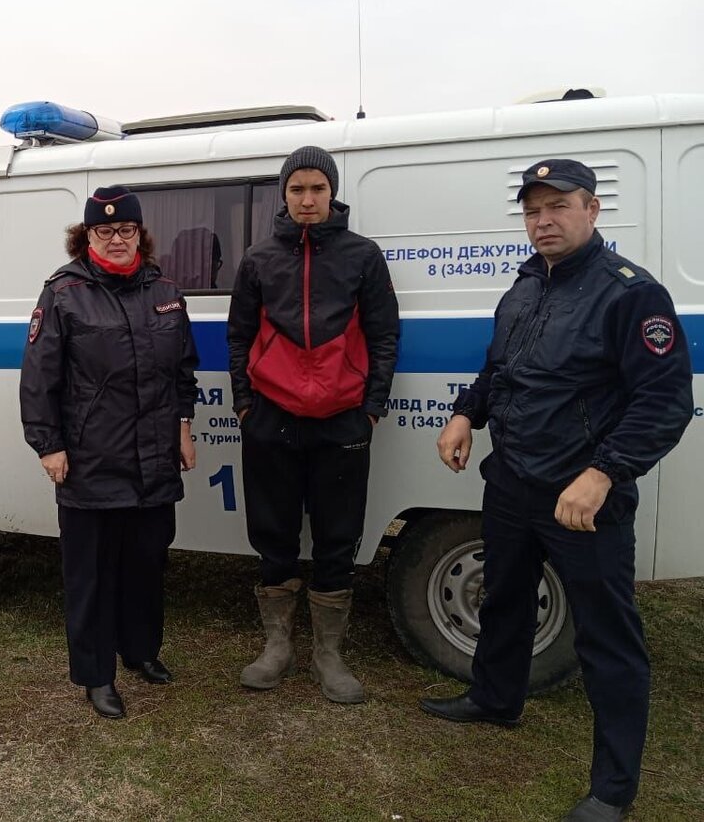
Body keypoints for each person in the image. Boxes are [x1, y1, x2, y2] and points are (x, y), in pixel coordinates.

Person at [423, 159, 694, 822]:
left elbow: (664, 402)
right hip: (513, 478)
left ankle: (613, 788)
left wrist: (602, 474)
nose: (543, 220)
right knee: (505, 598)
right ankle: (495, 697)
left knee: (608, 639)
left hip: (582, 497)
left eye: (558, 206)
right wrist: (466, 412)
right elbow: (501, 368)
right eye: (532, 210)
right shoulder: (523, 285)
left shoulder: (630, 293)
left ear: (593, 210)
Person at [19, 185, 200, 720]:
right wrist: (47, 445)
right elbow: (38, 378)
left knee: (146, 563)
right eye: (105, 230)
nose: (117, 239)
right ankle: (97, 675)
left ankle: (141, 652)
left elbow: (183, 369)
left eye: (126, 230)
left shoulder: (165, 290)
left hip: (153, 459)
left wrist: (184, 427)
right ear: (87, 236)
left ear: (139, 234)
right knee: (92, 573)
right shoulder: (64, 292)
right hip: (91, 458)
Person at [227, 145, 399, 703]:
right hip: (271, 418)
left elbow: (384, 335)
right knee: (273, 535)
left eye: (317, 189)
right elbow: (238, 337)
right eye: (297, 188)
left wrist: (370, 408)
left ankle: (329, 653)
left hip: (343, 420)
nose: (307, 199)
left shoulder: (363, 256)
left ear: (332, 193)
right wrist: (245, 404)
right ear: (284, 192)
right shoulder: (257, 259)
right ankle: (277, 646)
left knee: (337, 537)